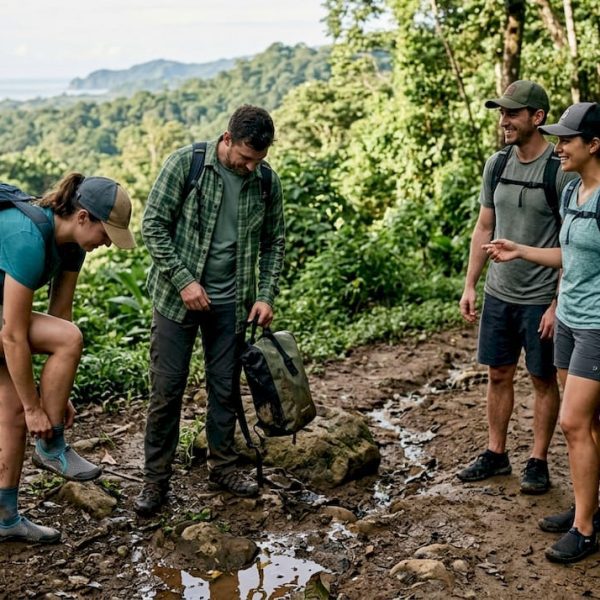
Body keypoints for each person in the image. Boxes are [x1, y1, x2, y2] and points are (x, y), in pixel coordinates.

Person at [135, 105, 285, 516]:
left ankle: (222, 466)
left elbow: (274, 243)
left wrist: (266, 295)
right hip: (175, 299)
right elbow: (153, 226)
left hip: (232, 303)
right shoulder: (187, 165)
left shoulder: (266, 183)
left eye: (259, 160)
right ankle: (155, 480)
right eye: (245, 158)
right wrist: (184, 280)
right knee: (167, 391)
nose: (251, 167)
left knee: (224, 388)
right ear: (226, 139)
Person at [485, 101, 600, 564]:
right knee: (591, 424)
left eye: (567, 140)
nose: (559, 147)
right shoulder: (575, 192)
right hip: (571, 319)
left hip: (596, 325)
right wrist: (520, 251)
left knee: (573, 423)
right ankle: (588, 505)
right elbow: (569, 257)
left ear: (594, 145)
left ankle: (585, 529)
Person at [0, 174, 135, 543]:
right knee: (25, 403)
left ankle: (5, 518)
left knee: (10, 412)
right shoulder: (26, 237)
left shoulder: (72, 247)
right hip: (5, 325)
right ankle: (50, 446)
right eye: (106, 232)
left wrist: (54, 396)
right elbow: (12, 335)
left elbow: (58, 317)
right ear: (82, 217)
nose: (108, 243)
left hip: (4, 319)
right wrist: (36, 409)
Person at [457, 80, 577, 493]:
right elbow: (484, 226)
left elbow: (571, 242)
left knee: (543, 378)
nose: (504, 120)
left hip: (541, 298)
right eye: (502, 113)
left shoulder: (558, 171)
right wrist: (471, 284)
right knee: (498, 373)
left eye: (512, 113)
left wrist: (557, 302)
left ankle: (538, 461)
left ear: (537, 117)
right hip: (499, 292)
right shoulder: (497, 164)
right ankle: (495, 453)